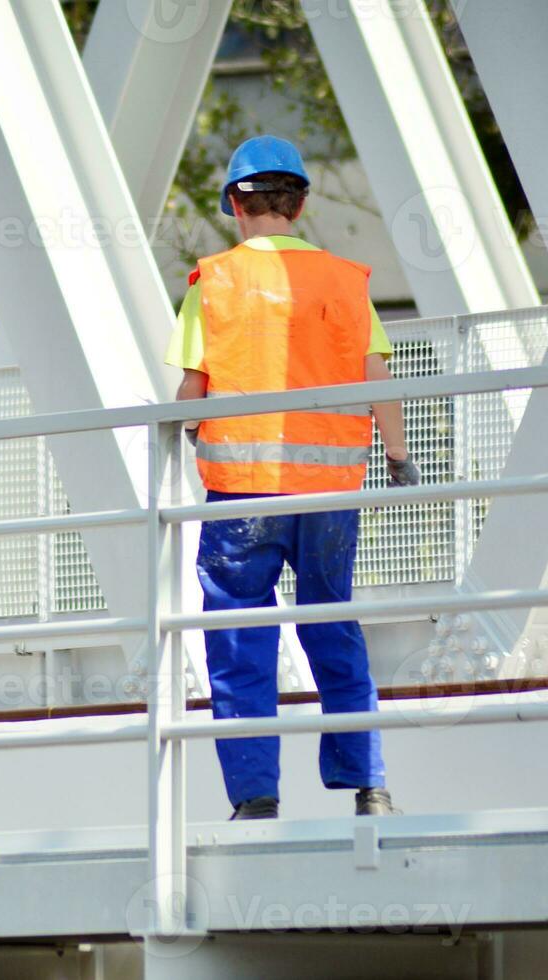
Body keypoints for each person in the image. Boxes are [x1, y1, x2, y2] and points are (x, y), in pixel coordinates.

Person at [166, 136, 419, 820]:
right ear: (300, 204)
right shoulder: (345, 280)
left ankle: (255, 798)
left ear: (234, 205)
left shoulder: (212, 282)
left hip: (242, 494)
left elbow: (192, 390)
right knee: (332, 626)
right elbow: (378, 381)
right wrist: (397, 457)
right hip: (329, 495)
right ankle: (369, 787)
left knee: (242, 639)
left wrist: (189, 430)